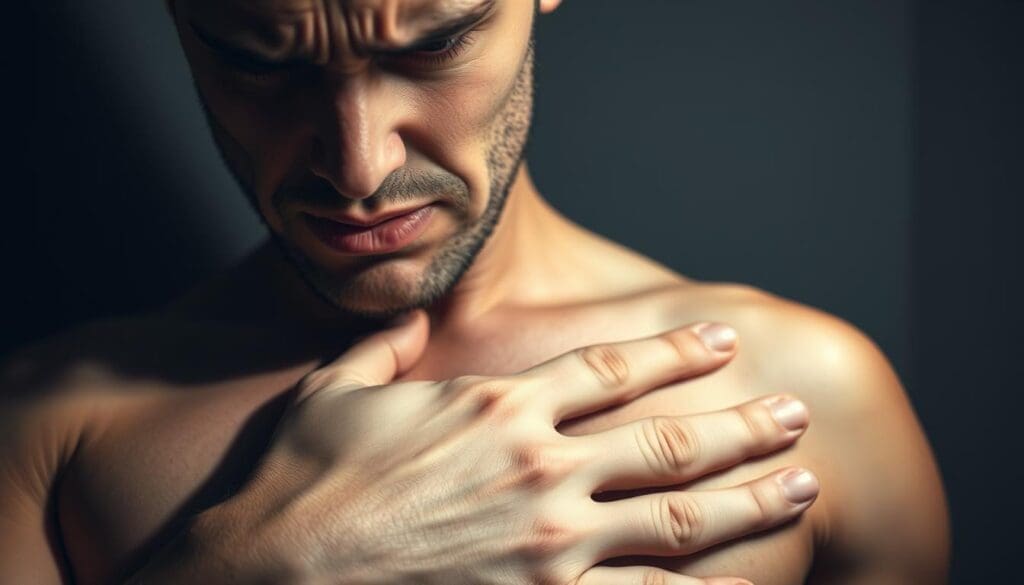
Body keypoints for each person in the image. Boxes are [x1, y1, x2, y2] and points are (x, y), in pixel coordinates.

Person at [0, 0, 949, 583]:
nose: (357, 166)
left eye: (434, 43)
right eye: (258, 61)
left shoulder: (806, 398)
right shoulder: (47, 433)